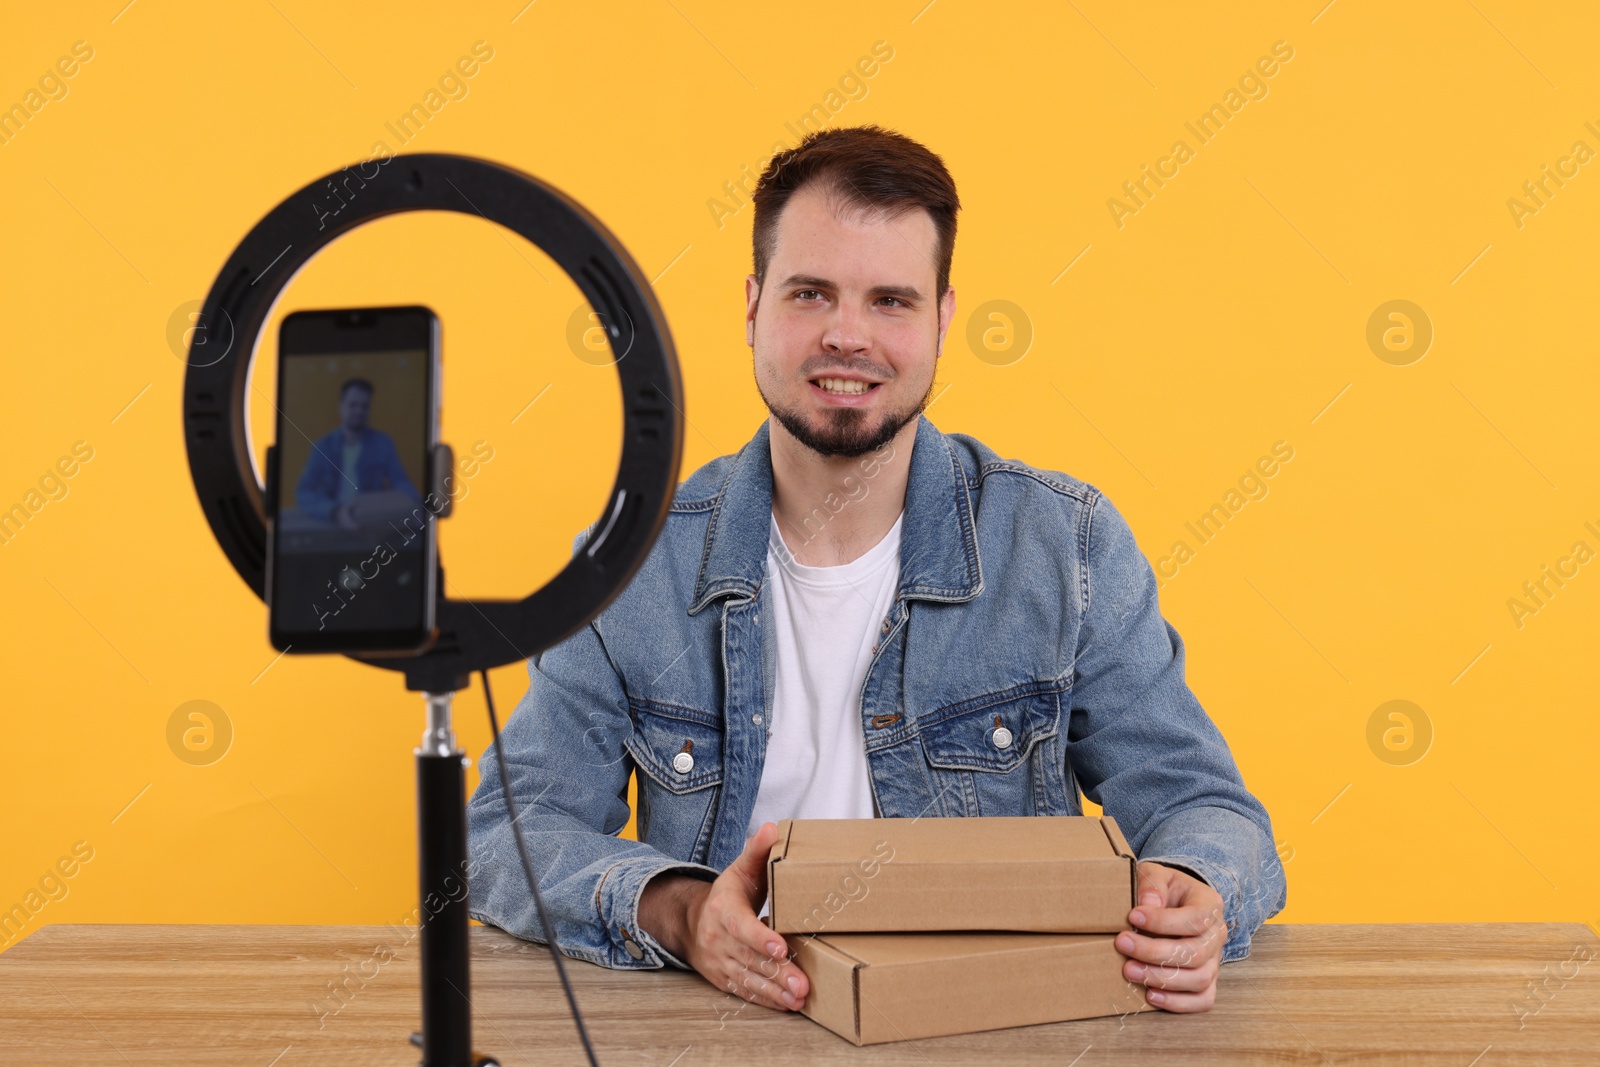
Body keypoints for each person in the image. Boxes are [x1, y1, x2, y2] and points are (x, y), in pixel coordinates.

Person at [466, 124, 1285, 1016]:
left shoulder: (1065, 545)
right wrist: (681, 910)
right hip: (732, 1030)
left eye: (890, 300)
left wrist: (1196, 892)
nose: (846, 337)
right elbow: (508, 832)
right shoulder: (634, 561)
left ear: (941, 319)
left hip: (986, 1027)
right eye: (810, 292)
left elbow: (1208, 809)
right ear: (752, 307)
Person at [294, 377, 419, 530]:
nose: (359, 411)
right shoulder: (322, 446)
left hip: (372, 523)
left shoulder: (383, 444)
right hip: (331, 523)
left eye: (364, 406)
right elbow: (304, 492)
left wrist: (416, 505)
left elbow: (401, 482)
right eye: (353, 405)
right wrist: (335, 511)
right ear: (341, 406)